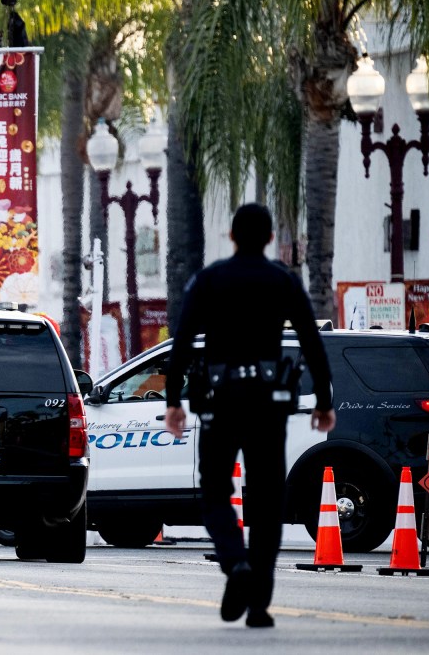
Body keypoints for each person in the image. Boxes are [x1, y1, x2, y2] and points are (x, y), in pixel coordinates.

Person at [164, 204, 336, 628]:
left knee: (214, 490)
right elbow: (311, 340)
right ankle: (259, 604)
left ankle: (235, 563)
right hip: (267, 402)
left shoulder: (209, 280)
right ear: (269, 238)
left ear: (232, 236)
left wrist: (173, 401)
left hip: (220, 400)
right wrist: (323, 400)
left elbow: (181, 341)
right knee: (266, 499)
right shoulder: (283, 280)